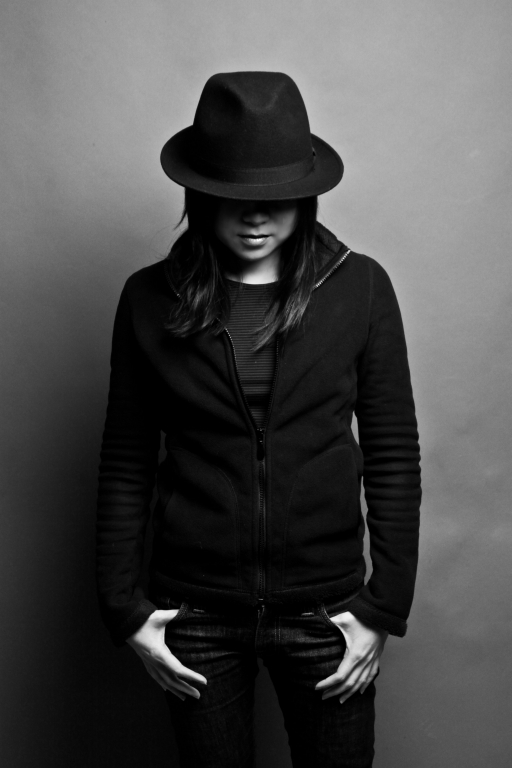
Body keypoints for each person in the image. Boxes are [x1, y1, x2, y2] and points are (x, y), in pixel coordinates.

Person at [96, 71, 421, 768]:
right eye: (234, 196)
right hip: (196, 618)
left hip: (327, 614)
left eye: (275, 196)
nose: (255, 217)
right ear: (201, 193)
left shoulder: (361, 288)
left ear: (305, 193)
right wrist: (123, 610)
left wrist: (383, 609)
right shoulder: (150, 298)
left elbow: (393, 454)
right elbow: (126, 459)